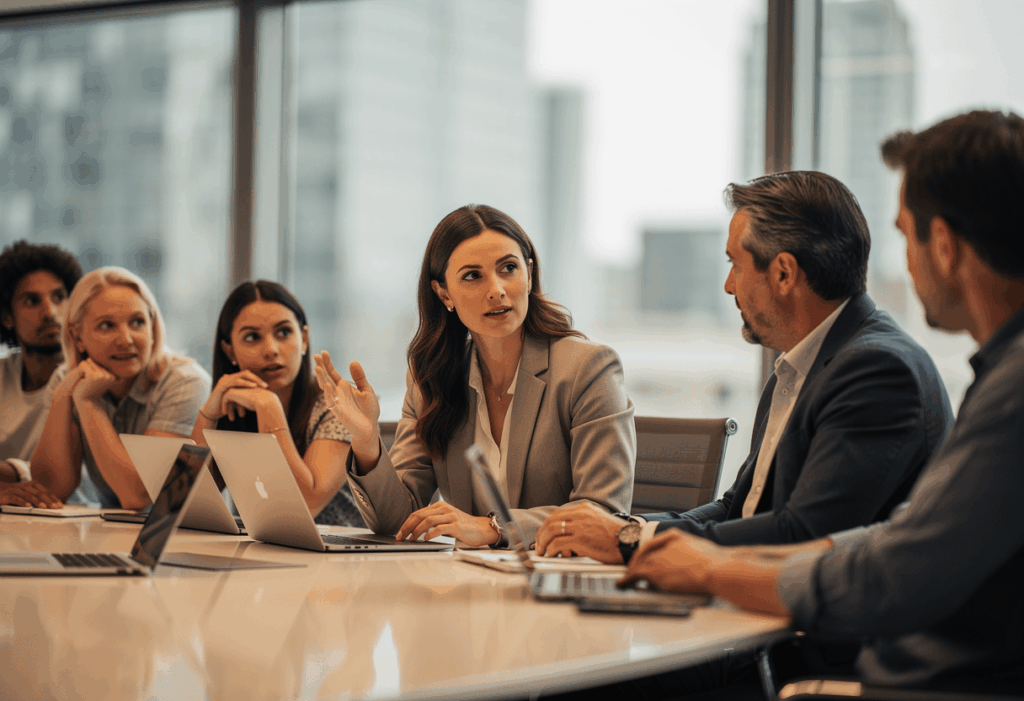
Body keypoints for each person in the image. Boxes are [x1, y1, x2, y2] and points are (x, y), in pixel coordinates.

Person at [620, 110, 1024, 693]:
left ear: (943, 244)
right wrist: (661, 546)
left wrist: (690, 561)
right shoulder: (994, 376)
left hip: (888, 677)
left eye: (906, 234)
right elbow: (894, 537)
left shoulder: (916, 374)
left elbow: (884, 567)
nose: (905, 262)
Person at [536, 171, 953, 564]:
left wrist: (627, 542)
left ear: (784, 273)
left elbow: (802, 536)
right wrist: (630, 529)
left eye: (735, 264)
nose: (729, 284)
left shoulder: (876, 371)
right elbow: (738, 508)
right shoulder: (800, 367)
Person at [314, 204, 635, 547]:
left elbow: (604, 512)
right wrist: (365, 440)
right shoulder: (432, 378)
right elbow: (396, 521)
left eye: (508, 268)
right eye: (472, 276)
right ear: (443, 294)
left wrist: (493, 528)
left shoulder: (588, 368)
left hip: (555, 580)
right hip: (472, 583)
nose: (496, 289)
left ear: (528, 274)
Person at [31, 266, 210, 510]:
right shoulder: (67, 380)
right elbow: (50, 491)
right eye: (107, 326)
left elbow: (138, 497)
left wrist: (88, 404)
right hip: (110, 533)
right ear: (78, 336)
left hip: (175, 538)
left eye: (137, 322)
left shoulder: (185, 382)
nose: (126, 339)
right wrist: (63, 396)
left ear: (152, 327)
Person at [190, 280, 361, 525]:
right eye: (252, 337)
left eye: (283, 332)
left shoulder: (337, 403)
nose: (270, 349)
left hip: (340, 557)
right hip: (261, 551)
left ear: (303, 339)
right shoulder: (234, 404)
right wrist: (208, 414)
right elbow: (183, 500)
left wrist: (269, 409)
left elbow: (304, 506)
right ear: (229, 352)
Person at [0, 240, 83, 508]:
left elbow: (74, 474)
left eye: (59, 297)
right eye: (32, 301)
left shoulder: (92, 379)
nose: (50, 312)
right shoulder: (2, 375)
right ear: (7, 317)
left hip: (81, 522)